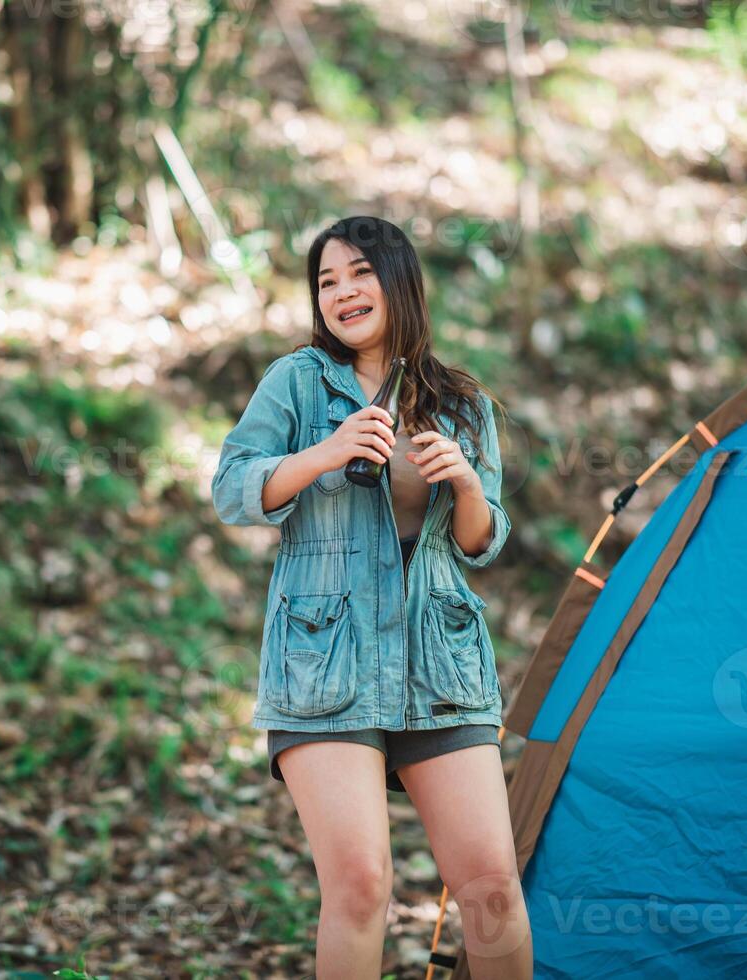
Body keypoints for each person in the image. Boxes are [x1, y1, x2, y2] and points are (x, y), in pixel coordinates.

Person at [212, 215, 532, 978]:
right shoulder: (296, 382)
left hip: (440, 665)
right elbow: (231, 489)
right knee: (360, 888)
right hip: (325, 666)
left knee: (491, 888)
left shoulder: (460, 403)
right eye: (327, 281)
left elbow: (483, 541)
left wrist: (462, 483)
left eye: (360, 273)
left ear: (399, 282)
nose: (344, 292)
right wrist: (322, 453)